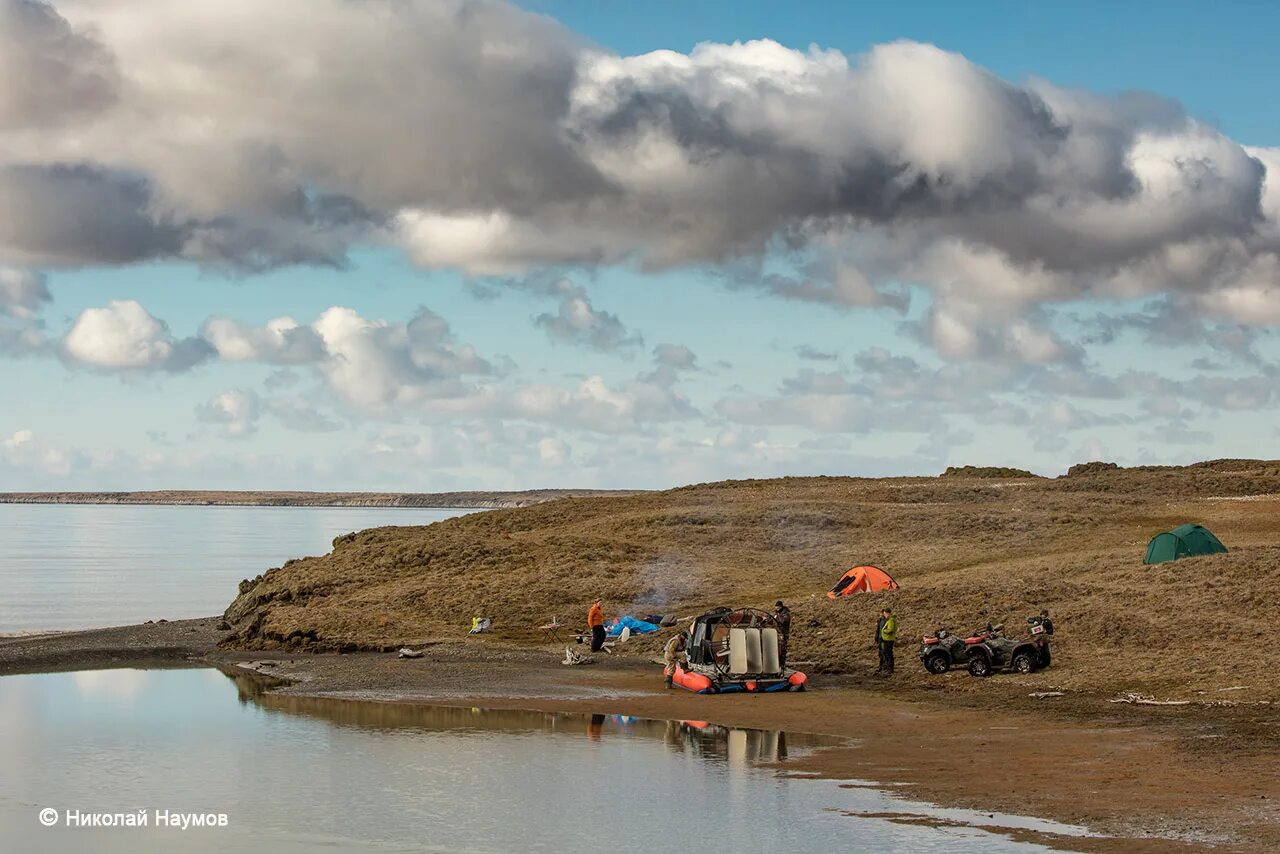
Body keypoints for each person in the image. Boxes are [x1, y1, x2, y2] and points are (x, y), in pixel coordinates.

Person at [875, 607, 897, 676]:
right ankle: (884, 666)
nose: (883, 614)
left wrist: (883, 631)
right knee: (883, 653)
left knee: (887, 654)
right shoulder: (882, 620)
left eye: (884, 613)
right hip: (883, 639)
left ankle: (888, 667)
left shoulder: (890, 620)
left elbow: (890, 629)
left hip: (887, 639)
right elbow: (878, 630)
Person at [773, 600, 792, 668]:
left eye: (778, 608)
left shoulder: (786, 614)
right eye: (776, 607)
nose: (777, 609)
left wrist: (777, 617)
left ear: (781, 607)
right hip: (776, 634)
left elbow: (783, 621)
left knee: (782, 650)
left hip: (783, 634)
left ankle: (782, 664)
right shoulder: (776, 614)